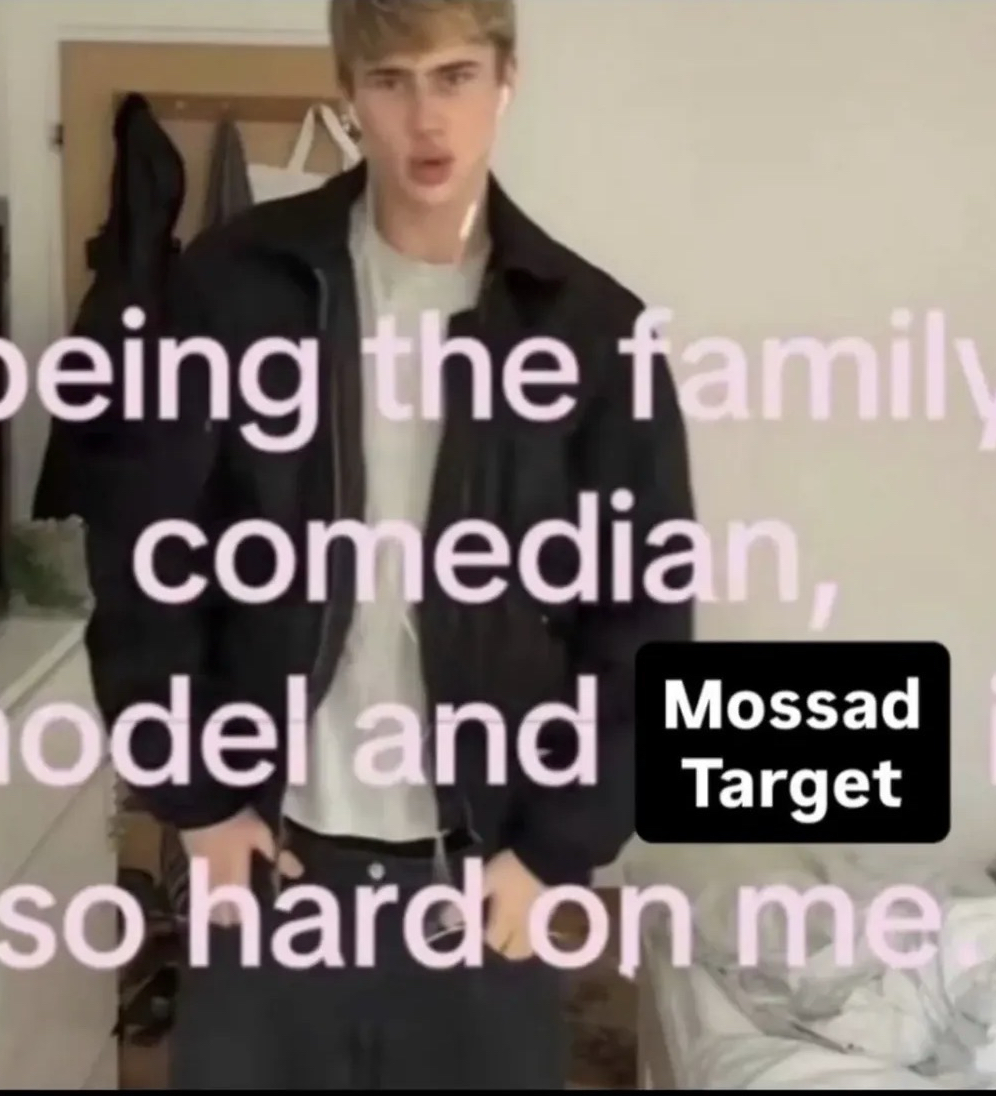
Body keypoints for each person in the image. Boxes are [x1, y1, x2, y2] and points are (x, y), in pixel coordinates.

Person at [81, 0, 694, 1087]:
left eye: (455, 76)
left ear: (507, 80)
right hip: (270, 864)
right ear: (349, 90)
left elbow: (642, 624)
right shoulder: (229, 288)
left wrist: (558, 850)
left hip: (482, 883)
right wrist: (197, 802)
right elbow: (147, 558)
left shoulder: (594, 334)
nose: (427, 118)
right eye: (391, 80)